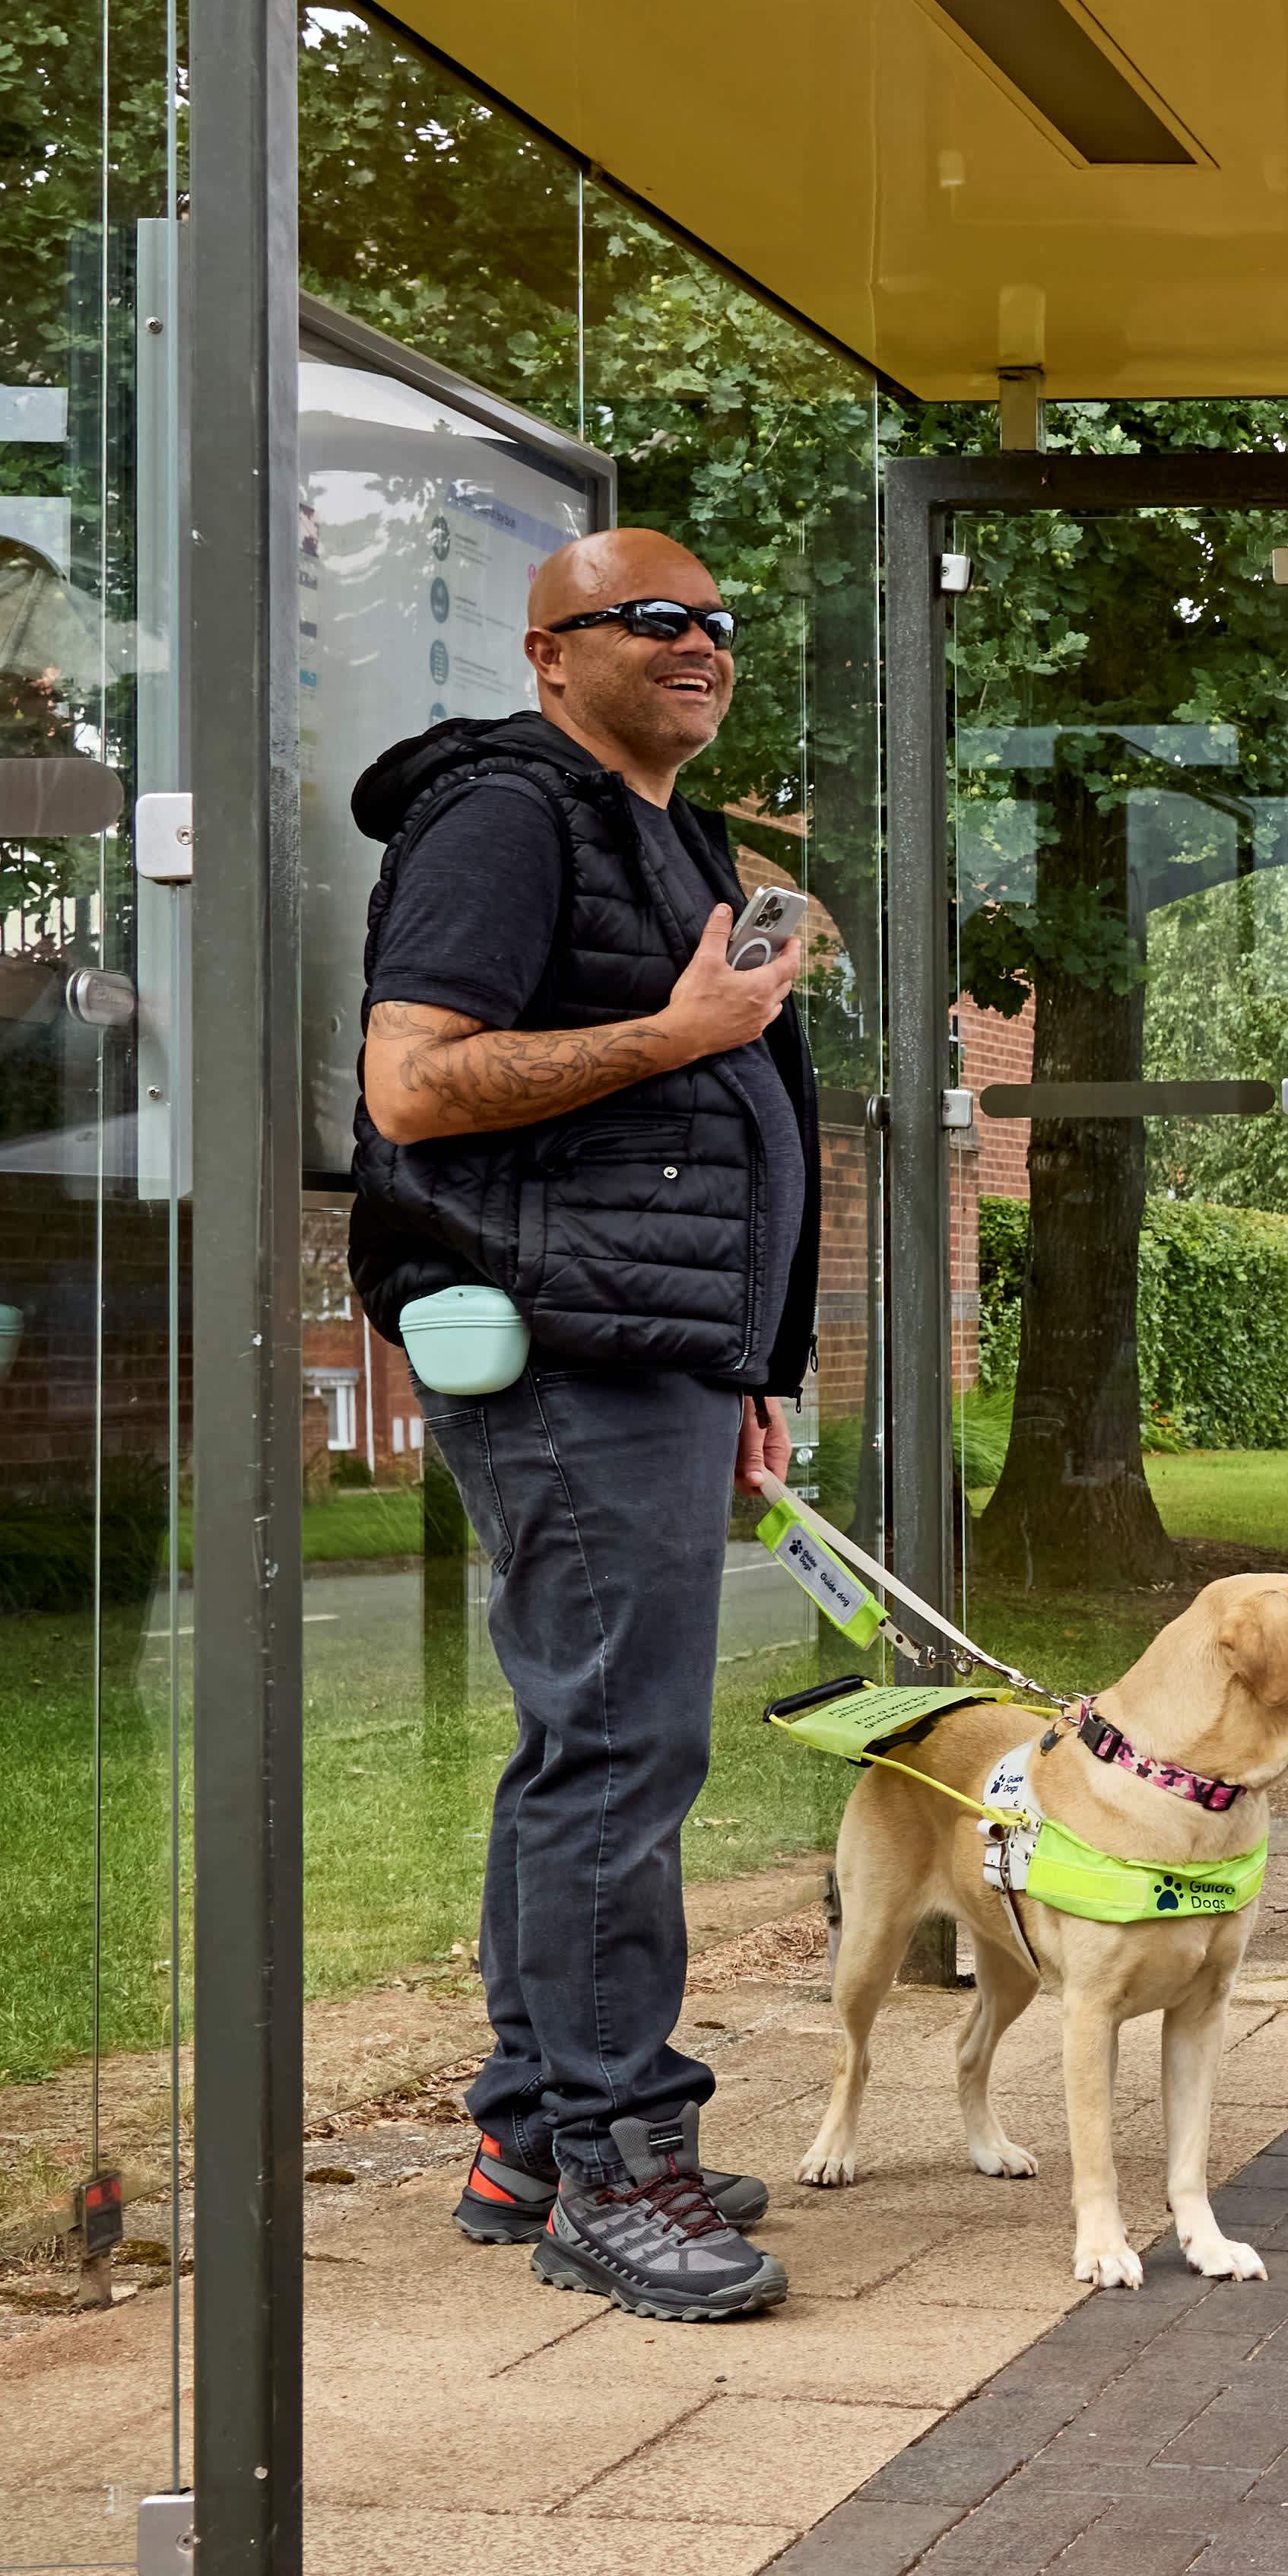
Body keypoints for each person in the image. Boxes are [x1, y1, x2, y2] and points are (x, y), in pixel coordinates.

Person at [349, 530, 819, 2323]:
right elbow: (417, 1080)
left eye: (716, 617)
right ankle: (618, 2163)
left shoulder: (671, 833)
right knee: (619, 1752)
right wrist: (672, 1023)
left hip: (654, 1353)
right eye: (652, 618)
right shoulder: (505, 815)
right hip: (561, 1352)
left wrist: (750, 1367)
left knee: (586, 1741)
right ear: (553, 652)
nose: (697, 641)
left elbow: (725, 1116)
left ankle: (531, 2132)